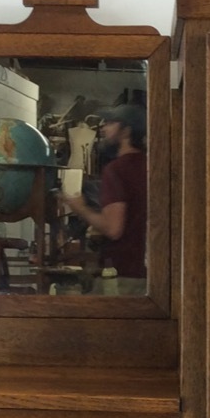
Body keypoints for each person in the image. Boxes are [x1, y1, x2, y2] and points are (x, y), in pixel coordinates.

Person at [60, 102, 147, 293]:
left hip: (123, 276)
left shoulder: (117, 170)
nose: (104, 128)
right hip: (149, 274)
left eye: (110, 123)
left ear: (126, 131)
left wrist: (80, 207)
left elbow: (114, 228)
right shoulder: (151, 165)